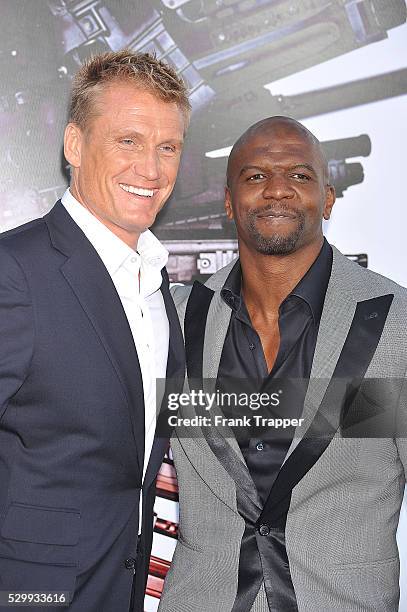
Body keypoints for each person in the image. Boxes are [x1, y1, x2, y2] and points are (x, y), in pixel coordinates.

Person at [159, 116, 407, 611]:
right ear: (229, 202)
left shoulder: (394, 327)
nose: (277, 190)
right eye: (254, 177)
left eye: (299, 175)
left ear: (329, 197)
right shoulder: (175, 321)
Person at [0, 50, 190, 611]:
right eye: (128, 141)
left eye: (167, 147)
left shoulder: (156, 286)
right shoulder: (16, 271)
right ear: (75, 146)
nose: (150, 170)